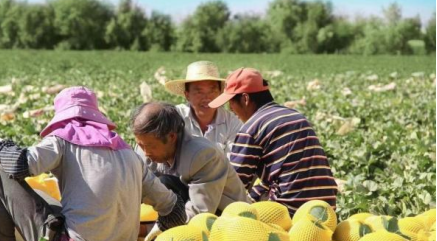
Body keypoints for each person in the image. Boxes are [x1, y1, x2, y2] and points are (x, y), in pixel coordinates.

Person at [0, 86, 186, 241]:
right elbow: (174, 209)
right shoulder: (128, 153)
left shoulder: (62, 139)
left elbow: (19, 165)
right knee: (54, 201)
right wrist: (158, 230)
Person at [208, 68, 338, 214]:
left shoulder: (251, 128)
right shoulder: (296, 116)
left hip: (290, 211)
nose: (231, 110)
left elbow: (234, 185)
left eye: (231, 103)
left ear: (245, 99)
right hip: (328, 208)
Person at [130, 102, 250, 227]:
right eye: (140, 145)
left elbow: (201, 212)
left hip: (228, 218)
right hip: (182, 210)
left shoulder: (203, 156)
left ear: (171, 137)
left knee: (164, 182)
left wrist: (155, 228)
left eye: (151, 146)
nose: (146, 152)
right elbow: (136, 191)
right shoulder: (144, 151)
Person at [164, 61, 242, 157]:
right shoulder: (174, 117)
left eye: (212, 91)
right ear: (187, 95)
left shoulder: (232, 123)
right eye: (199, 91)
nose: (207, 98)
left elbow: (233, 164)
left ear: (220, 93)